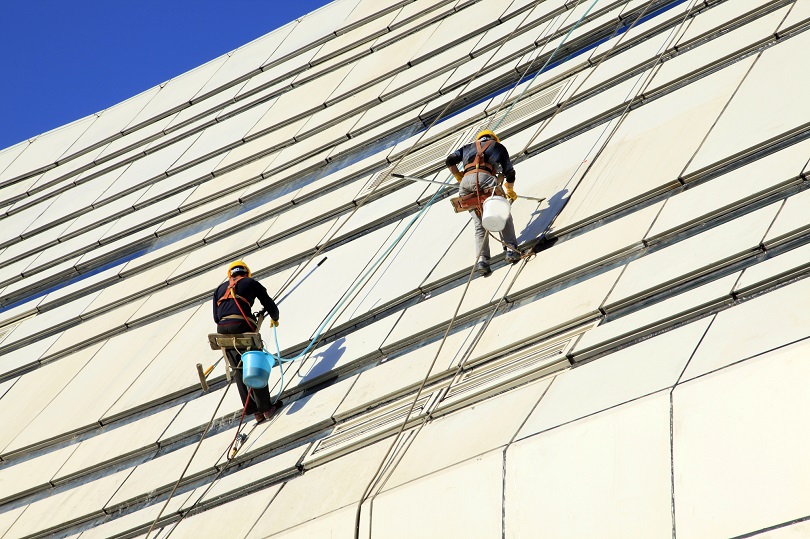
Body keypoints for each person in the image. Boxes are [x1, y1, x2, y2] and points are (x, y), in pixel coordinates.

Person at [213, 260, 282, 423]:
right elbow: (268, 303)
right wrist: (275, 318)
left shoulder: (219, 289)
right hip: (242, 326)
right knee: (254, 364)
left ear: (231, 274)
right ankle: (266, 408)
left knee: (238, 369)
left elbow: (216, 317)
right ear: (246, 273)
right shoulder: (250, 282)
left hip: (222, 330)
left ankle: (253, 411)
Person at [446, 130, 521, 276]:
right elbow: (510, 173)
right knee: (502, 214)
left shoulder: (467, 147)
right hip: (486, 179)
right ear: (494, 139)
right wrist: (509, 189)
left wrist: (459, 176)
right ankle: (511, 249)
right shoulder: (498, 147)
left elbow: (449, 160)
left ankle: (482, 261)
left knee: (479, 225)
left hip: (466, 185)